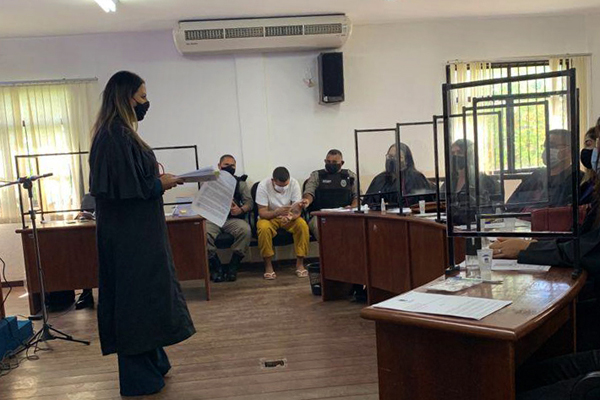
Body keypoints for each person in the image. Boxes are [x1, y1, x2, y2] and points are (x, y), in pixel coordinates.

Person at [89, 71, 195, 397]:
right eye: (142, 97)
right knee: (135, 300)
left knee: (148, 297)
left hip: (139, 232)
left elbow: (133, 184)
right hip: (130, 238)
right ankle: (138, 376)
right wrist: (161, 183)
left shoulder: (119, 134)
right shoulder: (114, 136)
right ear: (126, 98)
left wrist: (159, 183)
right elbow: (129, 190)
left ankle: (153, 361)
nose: (147, 103)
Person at [506, 129, 583, 212]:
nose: (547, 150)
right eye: (546, 146)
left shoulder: (577, 179)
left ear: (569, 151)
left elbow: (563, 212)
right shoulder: (537, 176)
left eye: (552, 146)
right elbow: (512, 205)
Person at [206, 154, 253, 282]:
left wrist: (240, 210)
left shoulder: (240, 183)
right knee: (203, 233)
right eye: (226, 165)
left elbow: (249, 203)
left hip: (232, 219)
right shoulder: (210, 181)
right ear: (219, 166)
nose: (229, 168)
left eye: (232, 165)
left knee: (245, 230)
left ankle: (233, 266)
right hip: (214, 219)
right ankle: (216, 267)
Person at [256, 167, 309, 280]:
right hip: (270, 217)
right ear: (273, 181)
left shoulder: (294, 183)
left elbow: (297, 211)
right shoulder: (263, 186)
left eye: (286, 185)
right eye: (280, 186)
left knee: (302, 225)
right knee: (263, 228)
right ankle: (268, 266)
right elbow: (262, 212)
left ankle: (300, 264)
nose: (283, 188)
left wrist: (290, 217)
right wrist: (276, 212)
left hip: (288, 217)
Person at [301, 149, 358, 240]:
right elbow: (309, 192)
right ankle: (328, 249)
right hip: (320, 215)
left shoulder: (350, 176)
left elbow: (357, 196)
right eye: (328, 162)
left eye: (334, 162)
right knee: (318, 227)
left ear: (342, 163)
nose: (331, 164)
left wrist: (352, 207)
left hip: (344, 214)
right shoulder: (316, 175)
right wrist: (307, 200)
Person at [363, 143, 435, 207]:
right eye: (390, 156)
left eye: (398, 157)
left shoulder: (416, 177)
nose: (393, 159)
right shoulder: (379, 179)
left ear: (407, 160)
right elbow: (367, 204)